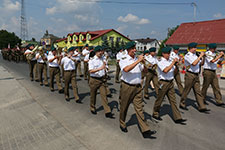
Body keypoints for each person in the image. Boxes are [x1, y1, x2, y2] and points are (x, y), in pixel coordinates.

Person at [119, 41, 156, 137]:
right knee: (124, 107)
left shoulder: (136, 59)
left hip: (138, 87)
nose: (135, 50)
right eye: (133, 49)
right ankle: (122, 122)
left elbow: (144, 71)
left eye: (135, 48)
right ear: (128, 50)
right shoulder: (123, 59)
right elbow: (126, 69)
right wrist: (138, 61)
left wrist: (145, 65)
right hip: (127, 86)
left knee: (139, 108)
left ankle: (145, 129)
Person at [152, 47, 186, 124]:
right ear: (163, 54)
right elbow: (165, 70)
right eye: (167, 53)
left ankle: (178, 117)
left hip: (170, 82)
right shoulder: (160, 61)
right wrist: (173, 63)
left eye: (169, 53)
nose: (169, 55)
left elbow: (174, 71)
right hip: (163, 83)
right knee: (159, 99)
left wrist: (177, 65)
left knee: (173, 100)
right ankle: (155, 113)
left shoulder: (170, 61)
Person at [180, 42, 209, 112]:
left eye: (196, 48)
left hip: (196, 75)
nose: (196, 49)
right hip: (189, 74)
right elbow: (194, 63)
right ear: (190, 48)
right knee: (186, 90)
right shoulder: (187, 56)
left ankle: (201, 106)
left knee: (198, 91)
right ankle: (182, 103)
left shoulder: (195, 56)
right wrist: (200, 56)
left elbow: (201, 64)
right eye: (194, 48)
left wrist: (204, 57)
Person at [88, 46, 114, 118]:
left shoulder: (103, 59)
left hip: (102, 80)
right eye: (99, 51)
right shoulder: (92, 60)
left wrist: (106, 68)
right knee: (93, 95)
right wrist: (100, 68)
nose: (100, 53)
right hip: (94, 80)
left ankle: (107, 111)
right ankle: (92, 107)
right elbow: (90, 70)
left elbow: (106, 66)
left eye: (101, 51)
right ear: (96, 52)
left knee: (104, 95)